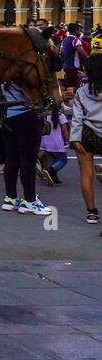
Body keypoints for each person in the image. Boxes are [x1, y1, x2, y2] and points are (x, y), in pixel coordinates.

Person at [0, 78, 51, 216]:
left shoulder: (2, 73)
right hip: (26, 115)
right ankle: (30, 201)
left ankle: (10, 198)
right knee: (28, 160)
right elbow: (34, 94)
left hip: (6, 116)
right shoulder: (24, 72)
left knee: (11, 159)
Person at [70, 53, 102, 228]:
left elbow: (77, 118)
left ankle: (91, 212)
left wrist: (75, 139)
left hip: (87, 134)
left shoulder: (82, 91)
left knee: (86, 174)